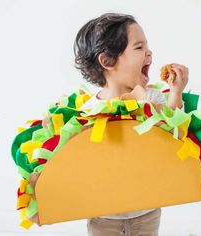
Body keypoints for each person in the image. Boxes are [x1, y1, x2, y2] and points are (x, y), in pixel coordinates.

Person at [73, 12, 188, 236]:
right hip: (102, 216)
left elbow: (176, 132)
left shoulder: (153, 99)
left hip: (147, 213)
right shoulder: (89, 111)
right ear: (107, 61)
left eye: (147, 45)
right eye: (138, 47)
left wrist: (176, 93)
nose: (149, 52)